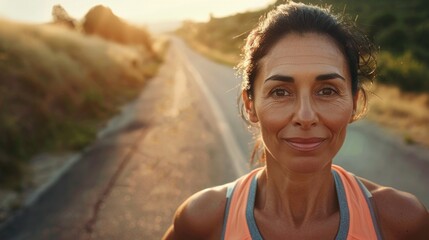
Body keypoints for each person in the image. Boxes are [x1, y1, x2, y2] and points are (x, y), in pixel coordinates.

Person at [163, 2, 429, 239]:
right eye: (280, 92)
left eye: (327, 91)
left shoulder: (400, 222)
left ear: (354, 103)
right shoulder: (202, 220)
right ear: (251, 105)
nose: (305, 117)